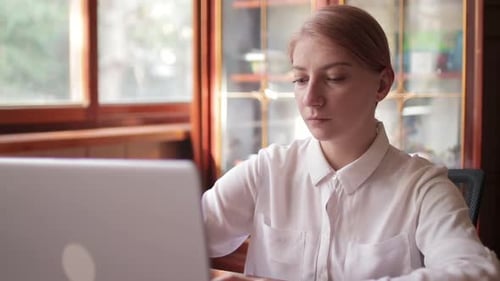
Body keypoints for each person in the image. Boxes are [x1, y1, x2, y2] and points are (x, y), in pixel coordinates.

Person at [201, 5, 500, 281]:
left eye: (334, 78)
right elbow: (185, 236)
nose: (311, 99)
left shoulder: (421, 187)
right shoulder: (268, 170)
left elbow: (477, 271)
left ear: (382, 85)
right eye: (300, 80)